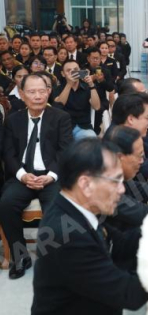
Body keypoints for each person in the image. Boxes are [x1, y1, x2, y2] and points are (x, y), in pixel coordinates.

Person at [31, 138, 148, 314]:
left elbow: (122, 242)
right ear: (86, 184)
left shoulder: (79, 205)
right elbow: (129, 295)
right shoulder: (66, 236)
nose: (122, 189)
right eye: (115, 181)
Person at [0, 73, 73, 279]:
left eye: (42, 91)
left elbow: (65, 150)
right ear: (22, 94)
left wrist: (51, 175)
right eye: (32, 92)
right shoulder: (13, 120)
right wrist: (22, 175)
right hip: (23, 175)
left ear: (49, 92)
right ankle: (20, 256)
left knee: (56, 207)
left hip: (51, 177)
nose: (38, 96)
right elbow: (9, 153)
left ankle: (53, 258)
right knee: (6, 203)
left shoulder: (61, 117)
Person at [54, 59, 101, 139]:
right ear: (63, 74)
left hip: (84, 127)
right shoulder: (57, 89)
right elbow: (59, 106)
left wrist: (91, 85)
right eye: (69, 70)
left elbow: (97, 107)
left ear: (80, 71)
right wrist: (69, 84)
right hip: (64, 128)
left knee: (91, 140)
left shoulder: (87, 87)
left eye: (75, 70)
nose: (73, 73)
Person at [84, 47, 115, 134]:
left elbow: (110, 88)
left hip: (101, 100)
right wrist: (90, 79)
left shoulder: (105, 71)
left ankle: (95, 131)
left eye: (97, 58)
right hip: (85, 99)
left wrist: (102, 81)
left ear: (100, 58)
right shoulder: (83, 69)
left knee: (98, 110)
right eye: (93, 58)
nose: (95, 60)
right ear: (88, 59)